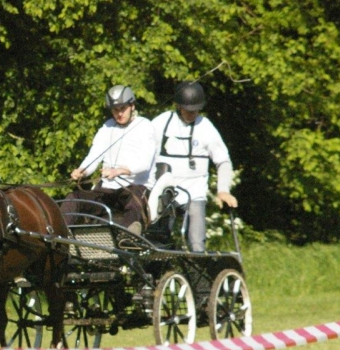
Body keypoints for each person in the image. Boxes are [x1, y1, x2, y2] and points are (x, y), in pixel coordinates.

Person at [151, 81, 238, 252]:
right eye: (188, 110)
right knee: (157, 240)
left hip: (195, 192)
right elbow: (143, 153)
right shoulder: (161, 123)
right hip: (165, 192)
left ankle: (198, 274)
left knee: (197, 243)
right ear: (178, 106)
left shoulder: (205, 127)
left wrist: (223, 190)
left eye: (196, 110)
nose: (192, 113)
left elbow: (223, 161)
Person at [60, 84, 156, 234]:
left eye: (123, 108)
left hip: (136, 187)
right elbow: (94, 155)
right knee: (74, 198)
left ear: (132, 106)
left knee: (134, 206)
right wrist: (82, 171)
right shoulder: (107, 127)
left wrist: (118, 171)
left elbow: (145, 163)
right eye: (115, 110)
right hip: (107, 189)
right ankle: (60, 235)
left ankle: (126, 237)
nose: (119, 114)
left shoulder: (145, 126)